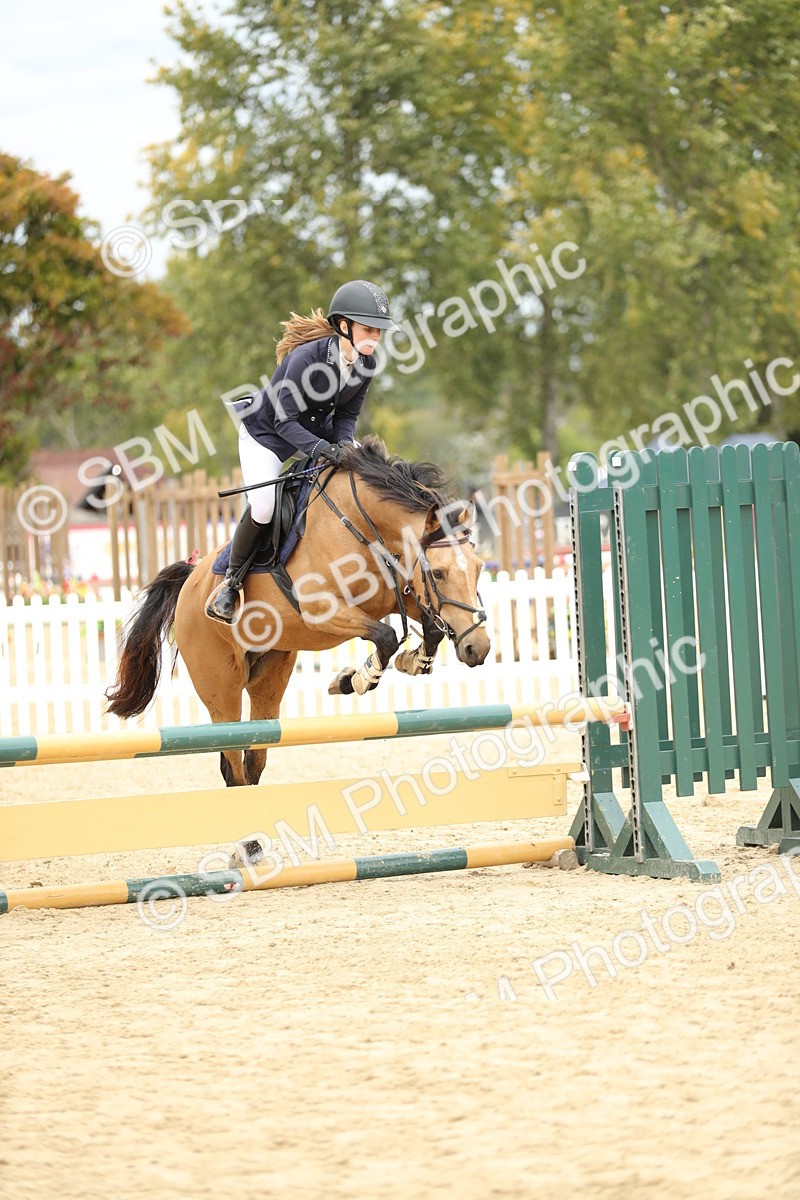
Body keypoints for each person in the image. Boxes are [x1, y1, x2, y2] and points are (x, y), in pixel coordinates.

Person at [207, 279, 394, 622]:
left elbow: (347, 417)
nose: (375, 338)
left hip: (312, 437)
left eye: (379, 332)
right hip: (266, 437)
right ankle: (230, 585)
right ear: (344, 326)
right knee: (264, 505)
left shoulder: (367, 365)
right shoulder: (306, 359)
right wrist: (325, 449)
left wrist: (343, 446)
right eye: (368, 329)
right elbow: (284, 422)